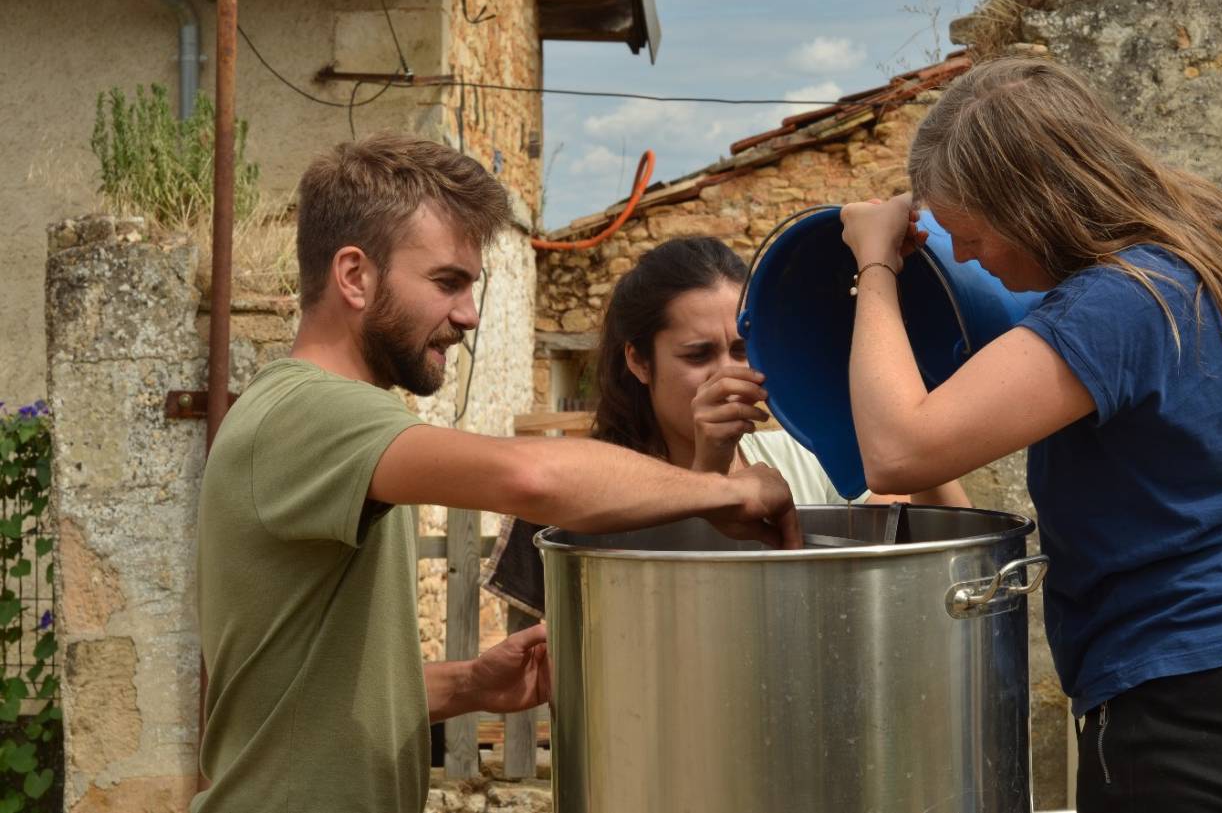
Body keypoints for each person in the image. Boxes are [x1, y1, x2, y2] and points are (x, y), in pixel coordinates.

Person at [193, 135, 800, 813]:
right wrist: (724, 489)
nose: (468, 314)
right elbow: (531, 477)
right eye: (447, 281)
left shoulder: (323, 419)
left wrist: (470, 683)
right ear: (355, 276)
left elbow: (301, 700)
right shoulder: (311, 411)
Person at [837, 57, 1222, 813]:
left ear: (1032, 207)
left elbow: (895, 447)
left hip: (1194, 706)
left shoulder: (1116, 305)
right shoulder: (1199, 246)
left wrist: (877, 262)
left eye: (973, 234)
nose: (961, 256)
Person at [487, 236, 967, 615]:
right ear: (638, 360)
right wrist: (708, 470)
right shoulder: (593, 487)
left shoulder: (806, 461)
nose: (727, 373)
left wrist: (911, 410)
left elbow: (941, 542)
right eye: (698, 355)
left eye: (741, 350)